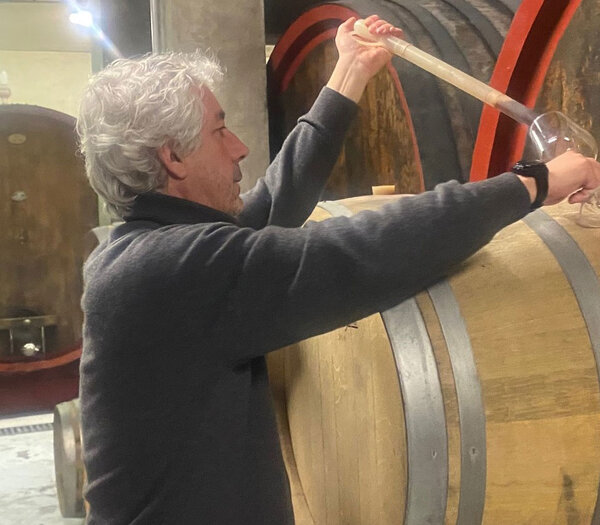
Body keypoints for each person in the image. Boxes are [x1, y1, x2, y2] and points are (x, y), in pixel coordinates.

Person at [77, 14, 600, 525]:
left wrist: (349, 72)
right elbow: (357, 252)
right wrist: (532, 183)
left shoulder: (152, 253)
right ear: (173, 157)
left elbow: (274, 204)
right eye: (220, 131)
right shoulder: (167, 271)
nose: (239, 148)